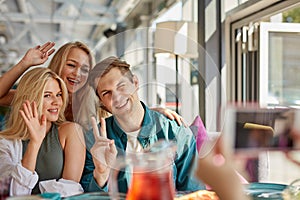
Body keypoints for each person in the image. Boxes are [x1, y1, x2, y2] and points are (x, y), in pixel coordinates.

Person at [81, 56, 205, 193]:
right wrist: (101, 173)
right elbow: (87, 195)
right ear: (102, 103)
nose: (116, 97)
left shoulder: (177, 133)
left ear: (135, 82)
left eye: (121, 86)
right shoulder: (94, 141)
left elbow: (194, 193)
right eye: (106, 93)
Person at [0, 41, 184, 130]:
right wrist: (24, 63)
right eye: (71, 65)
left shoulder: (94, 102)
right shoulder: (37, 97)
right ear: (58, 64)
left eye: (85, 70)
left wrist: (153, 111)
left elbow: (124, 109)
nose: (77, 74)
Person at [0, 67, 85, 196]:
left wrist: (33, 192)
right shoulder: (5, 142)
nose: (57, 102)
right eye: (47, 95)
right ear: (29, 99)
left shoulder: (71, 131)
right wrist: (35, 143)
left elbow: (71, 190)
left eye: (59, 95)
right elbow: (13, 193)